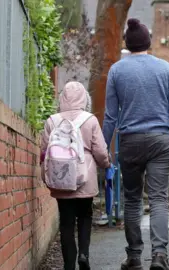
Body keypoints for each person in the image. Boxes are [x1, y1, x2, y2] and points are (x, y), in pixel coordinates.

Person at [102, 18, 169, 270]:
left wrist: (102, 147)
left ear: (127, 44)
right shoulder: (166, 69)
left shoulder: (117, 70)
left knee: (132, 199)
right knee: (159, 199)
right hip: (161, 140)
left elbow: (110, 116)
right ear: (148, 42)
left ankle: (134, 257)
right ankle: (159, 255)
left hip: (129, 141)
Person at [40, 81, 111, 270]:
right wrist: (106, 164)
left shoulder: (52, 121)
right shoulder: (90, 120)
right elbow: (101, 152)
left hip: (60, 178)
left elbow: (44, 153)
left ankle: (69, 265)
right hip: (84, 177)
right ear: (84, 98)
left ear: (62, 97)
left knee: (66, 222)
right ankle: (84, 255)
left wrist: (45, 176)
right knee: (85, 216)